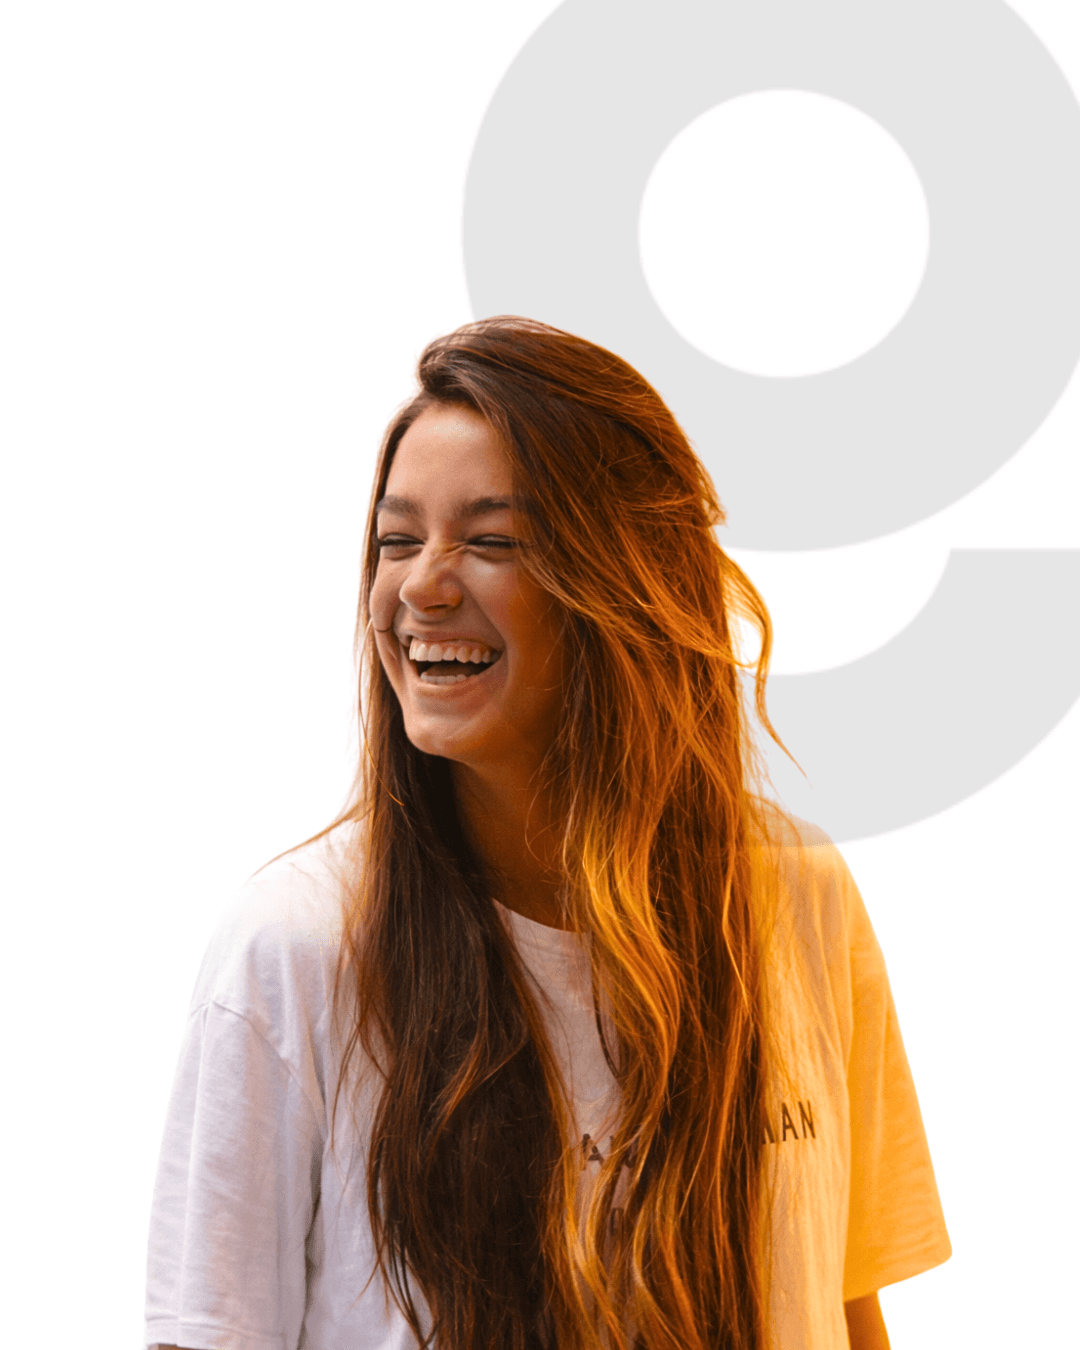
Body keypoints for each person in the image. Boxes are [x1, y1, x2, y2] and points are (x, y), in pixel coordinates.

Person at [145, 316, 951, 1350]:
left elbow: (843, 1303)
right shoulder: (296, 949)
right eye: (397, 540)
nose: (420, 586)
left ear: (629, 586)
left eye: (492, 541)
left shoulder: (797, 892)